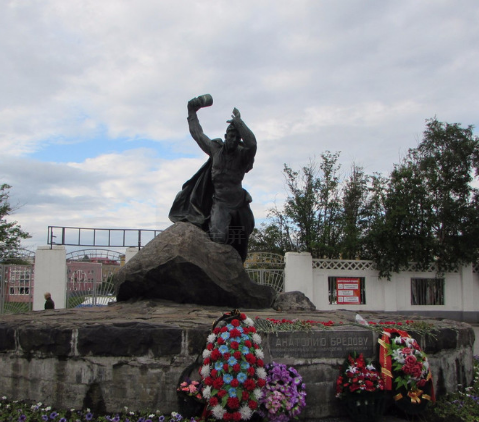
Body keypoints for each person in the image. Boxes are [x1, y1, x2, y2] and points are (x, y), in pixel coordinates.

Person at [169, 95, 257, 262]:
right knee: (217, 238)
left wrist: (239, 122)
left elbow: (252, 143)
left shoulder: (243, 155)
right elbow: (198, 134)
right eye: (230, 136)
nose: (233, 140)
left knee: (242, 242)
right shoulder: (215, 150)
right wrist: (191, 112)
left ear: (239, 139)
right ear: (225, 136)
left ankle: (237, 271)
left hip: (239, 203)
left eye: (237, 137)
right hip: (221, 203)